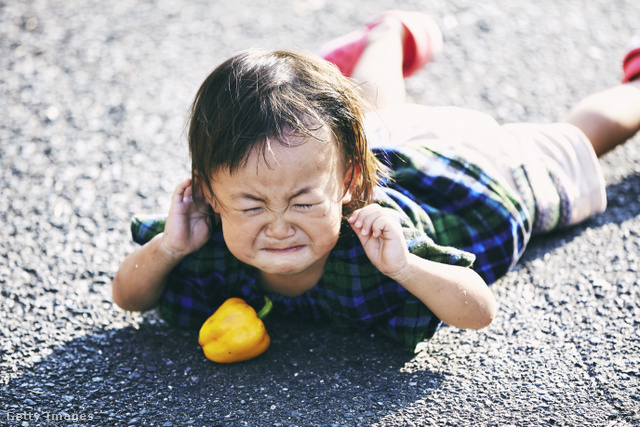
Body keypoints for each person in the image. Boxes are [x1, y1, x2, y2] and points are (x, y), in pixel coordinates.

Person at [112, 10, 640, 351]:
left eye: (302, 203)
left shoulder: (379, 238)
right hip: (392, 145)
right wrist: (166, 248)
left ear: (350, 184)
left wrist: (408, 266)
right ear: (209, 194)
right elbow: (128, 297)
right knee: (381, 116)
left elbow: (478, 310)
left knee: (579, 138)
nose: (277, 226)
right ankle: (390, 33)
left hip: (481, 175)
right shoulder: (205, 232)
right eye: (251, 207)